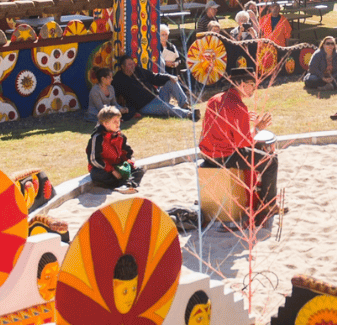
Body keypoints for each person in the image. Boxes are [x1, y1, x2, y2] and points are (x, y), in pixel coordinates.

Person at [198, 60, 279, 226]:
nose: (254, 89)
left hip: (207, 152)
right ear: (241, 84)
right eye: (252, 85)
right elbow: (244, 144)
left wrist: (244, 118)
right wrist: (257, 127)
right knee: (271, 161)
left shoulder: (215, 98)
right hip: (224, 156)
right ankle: (267, 207)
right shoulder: (238, 107)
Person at [113, 54, 194, 119]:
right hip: (145, 106)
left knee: (170, 82)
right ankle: (188, 114)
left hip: (157, 97)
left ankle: (184, 105)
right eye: (129, 65)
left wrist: (169, 76)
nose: (132, 66)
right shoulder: (118, 79)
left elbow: (154, 77)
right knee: (165, 107)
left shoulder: (138, 70)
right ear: (122, 67)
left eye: (133, 64)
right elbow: (112, 95)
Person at [86, 106, 145, 194]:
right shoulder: (97, 138)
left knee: (139, 170)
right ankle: (124, 184)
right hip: (105, 168)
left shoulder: (120, 136)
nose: (118, 124)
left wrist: (129, 162)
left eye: (119, 121)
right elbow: (94, 160)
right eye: (115, 122)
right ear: (105, 123)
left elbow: (128, 152)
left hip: (118, 165)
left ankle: (126, 185)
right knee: (97, 174)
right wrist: (112, 170)